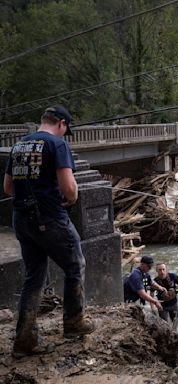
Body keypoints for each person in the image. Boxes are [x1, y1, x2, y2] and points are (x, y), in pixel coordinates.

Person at [3, 105, 96, 357]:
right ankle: (74, 322)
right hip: (49, 218)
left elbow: (8, 188)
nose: (65, 135)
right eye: (66, 130)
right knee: (75, 264)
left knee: (34, 277)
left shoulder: (19, 145)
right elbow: (69, 189)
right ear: (62, 124)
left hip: (21, 219)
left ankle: (24, 340)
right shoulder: (57, 145)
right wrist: (70, 197)